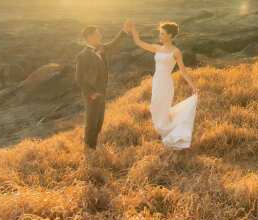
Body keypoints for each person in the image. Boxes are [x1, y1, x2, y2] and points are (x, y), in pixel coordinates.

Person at [131, 21, 199, 150]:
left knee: (161, 109)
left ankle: (168, 137)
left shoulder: (176, 52)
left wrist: (193, 87)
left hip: (166, 83)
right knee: (155, 108)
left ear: (170, 35)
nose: (160, 36)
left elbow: (183, 71)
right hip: (157, 81)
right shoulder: (158, 48)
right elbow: (139, 42)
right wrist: (133, 28)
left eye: (162, 34)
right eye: (160, 33)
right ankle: (165, 134)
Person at [75, 19, 132, 151]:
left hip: (102, 92)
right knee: (91, 123)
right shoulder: (83, 56)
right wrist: (91, 94)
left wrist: (125, 30)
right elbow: (79, 78)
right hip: (92, 95)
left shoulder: (101, 48)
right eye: (97, 34)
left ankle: (93, 146)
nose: (100, 36)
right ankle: (89, 150)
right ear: (89, 37)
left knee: (99, 122)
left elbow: (113, 44)